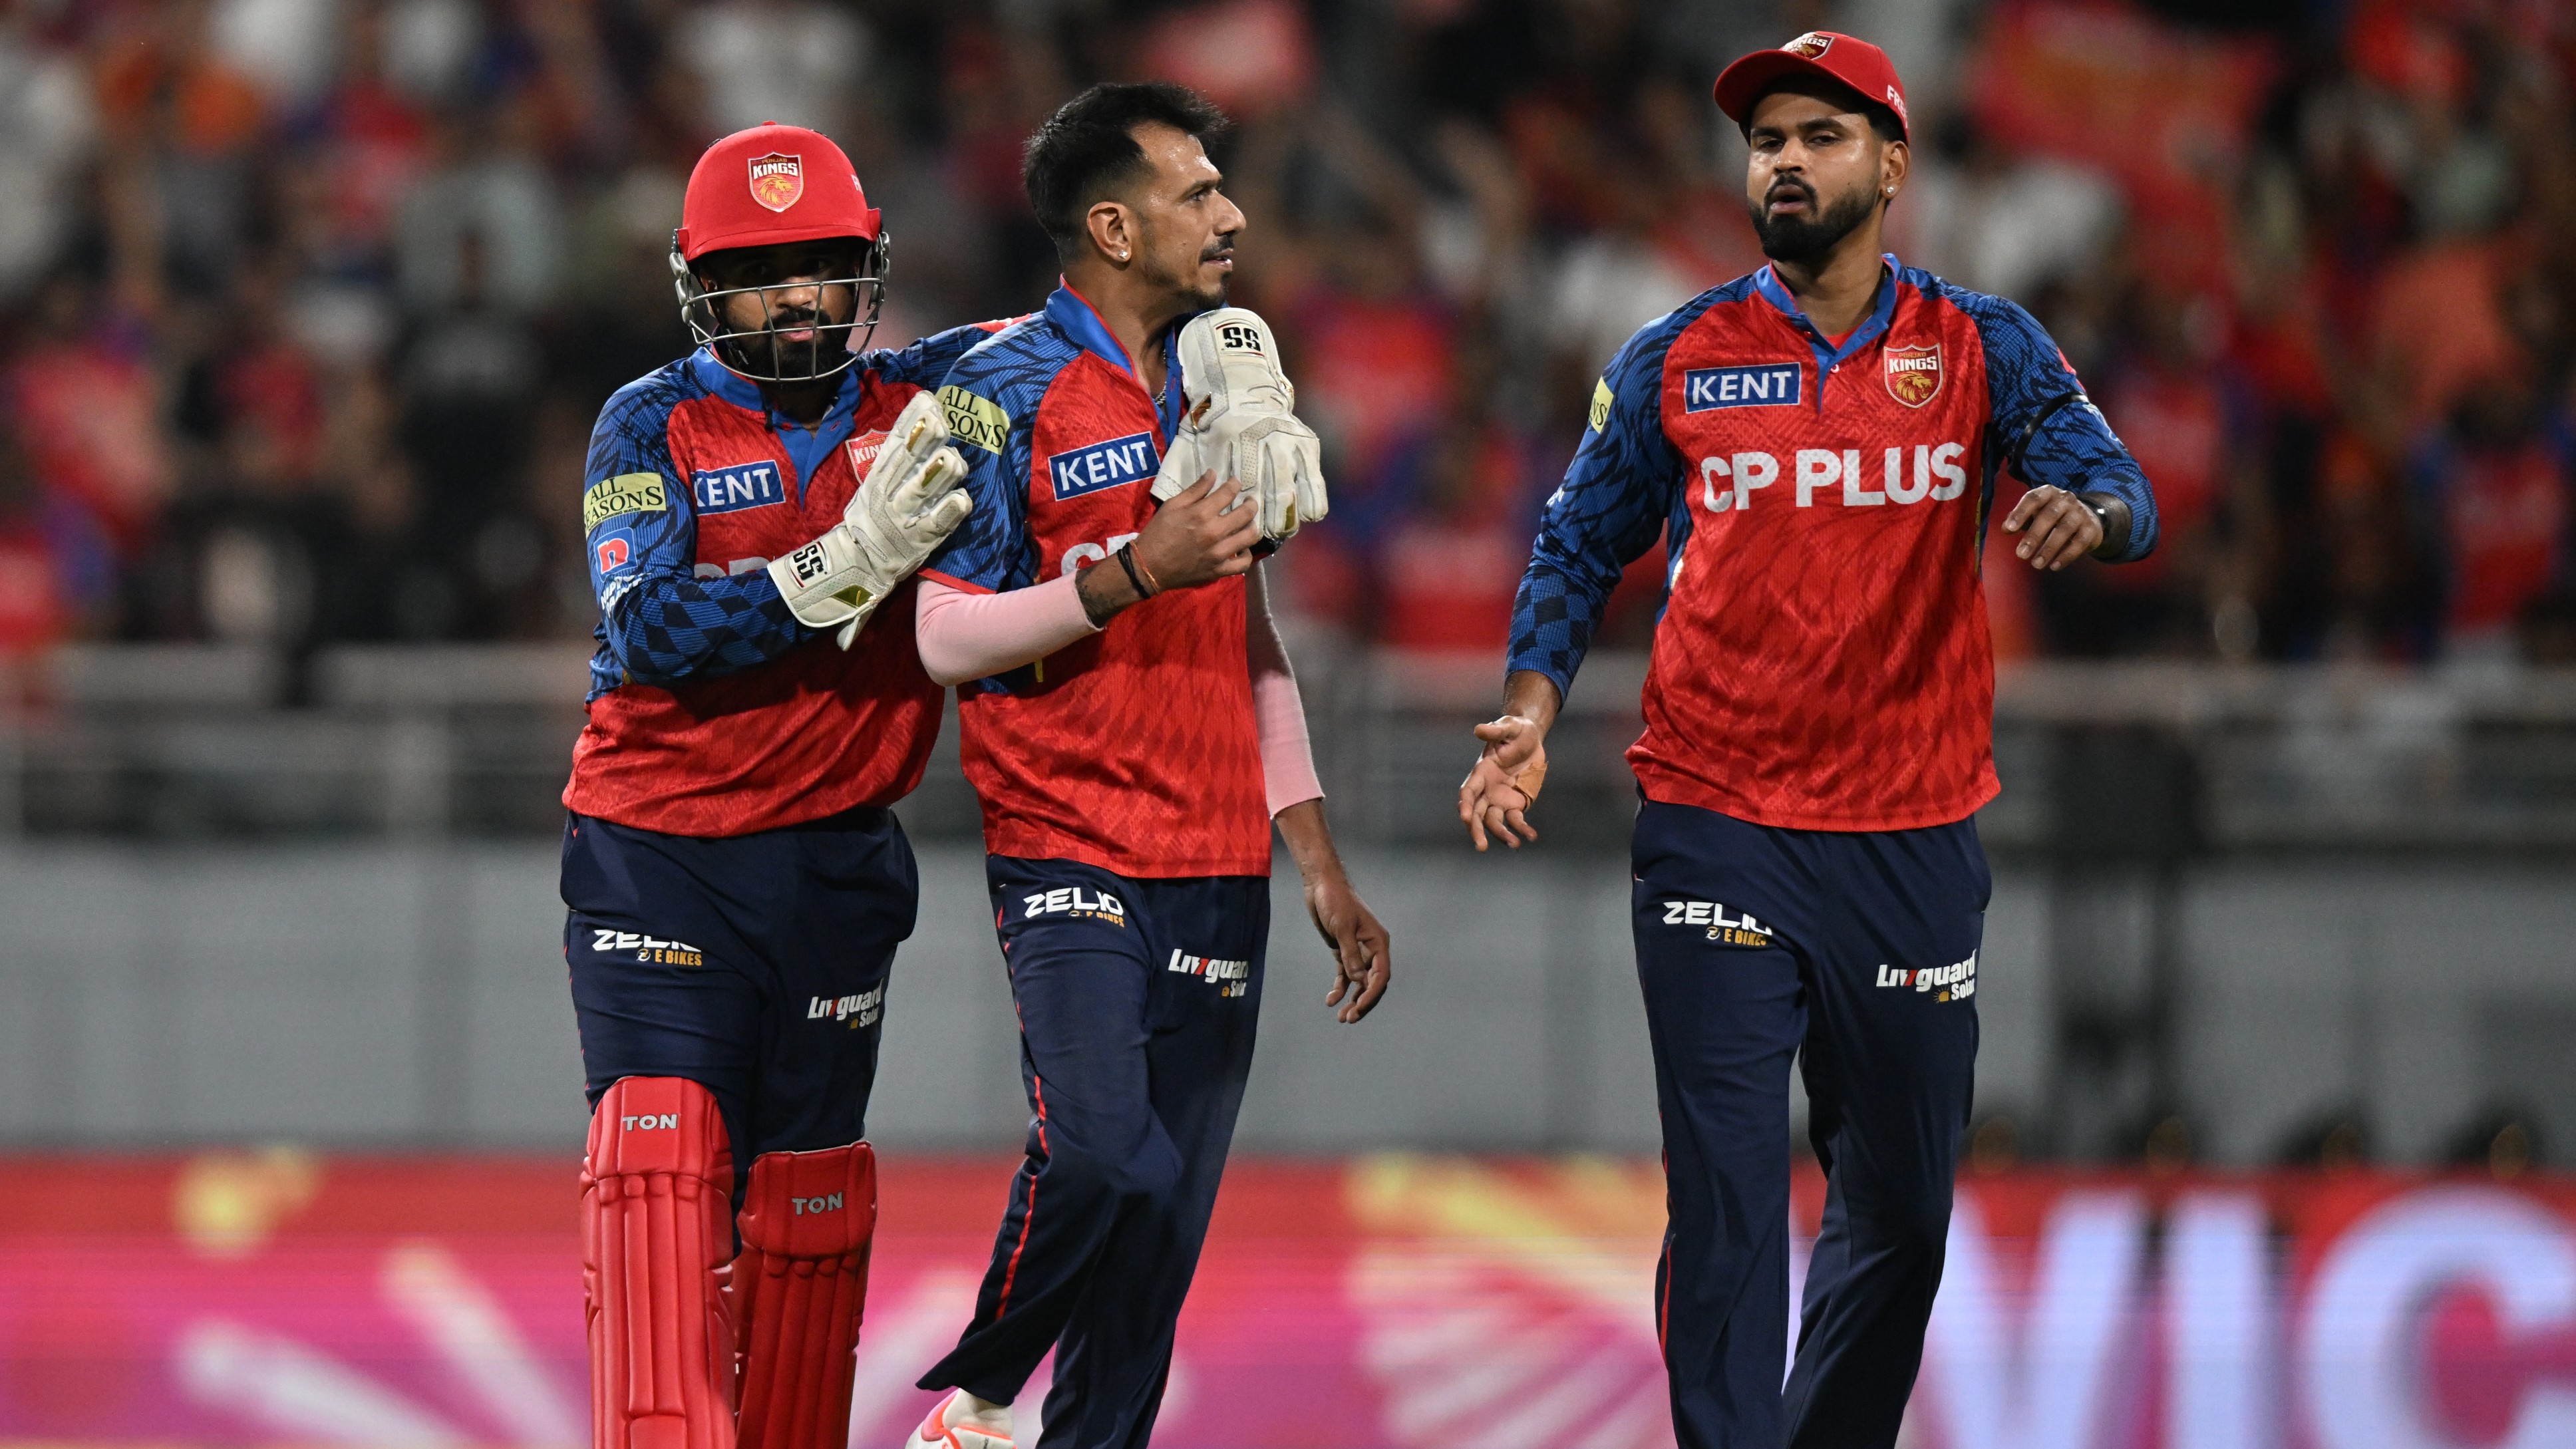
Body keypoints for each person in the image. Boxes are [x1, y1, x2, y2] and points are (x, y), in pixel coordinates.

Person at [1455, 32, 2160, 1449]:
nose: (1784, 160)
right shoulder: (1678, 354)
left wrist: (2092, 515)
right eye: (1766, 138)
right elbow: (1575, 545)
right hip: (1717, 819)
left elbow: (2121, 486)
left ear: (1891, 165)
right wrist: (1525, 717)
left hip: (1908, 836)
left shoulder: (1978, 345)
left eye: (1819, 136)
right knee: (1723, 1193)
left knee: (1897, 1211)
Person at [897, 82, 1390, 1449]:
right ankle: (979, 1396)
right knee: (1109, 1151)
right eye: (1197, 192)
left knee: (1155, 1256)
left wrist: (1321, 866)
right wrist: (1126, 576)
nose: (1232, 213)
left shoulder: (1231, 372)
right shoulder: (997, 389)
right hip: (1067, 846)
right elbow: (943, 641)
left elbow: (1248, 635)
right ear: (1111, 225)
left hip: (1220, 864)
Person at [561, 120, 1001, 1449]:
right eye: (760, 275)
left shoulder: (931, 402)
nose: (796, 301)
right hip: (660, 855)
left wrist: (1229, 351)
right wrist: (840, 567)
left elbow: (1085, 338)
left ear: (866, 270)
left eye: (818, 268)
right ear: (705, 289)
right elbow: (645, 624)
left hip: (836, 868)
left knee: (808, 1212)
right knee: (657, 1166)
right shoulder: (649, 420)